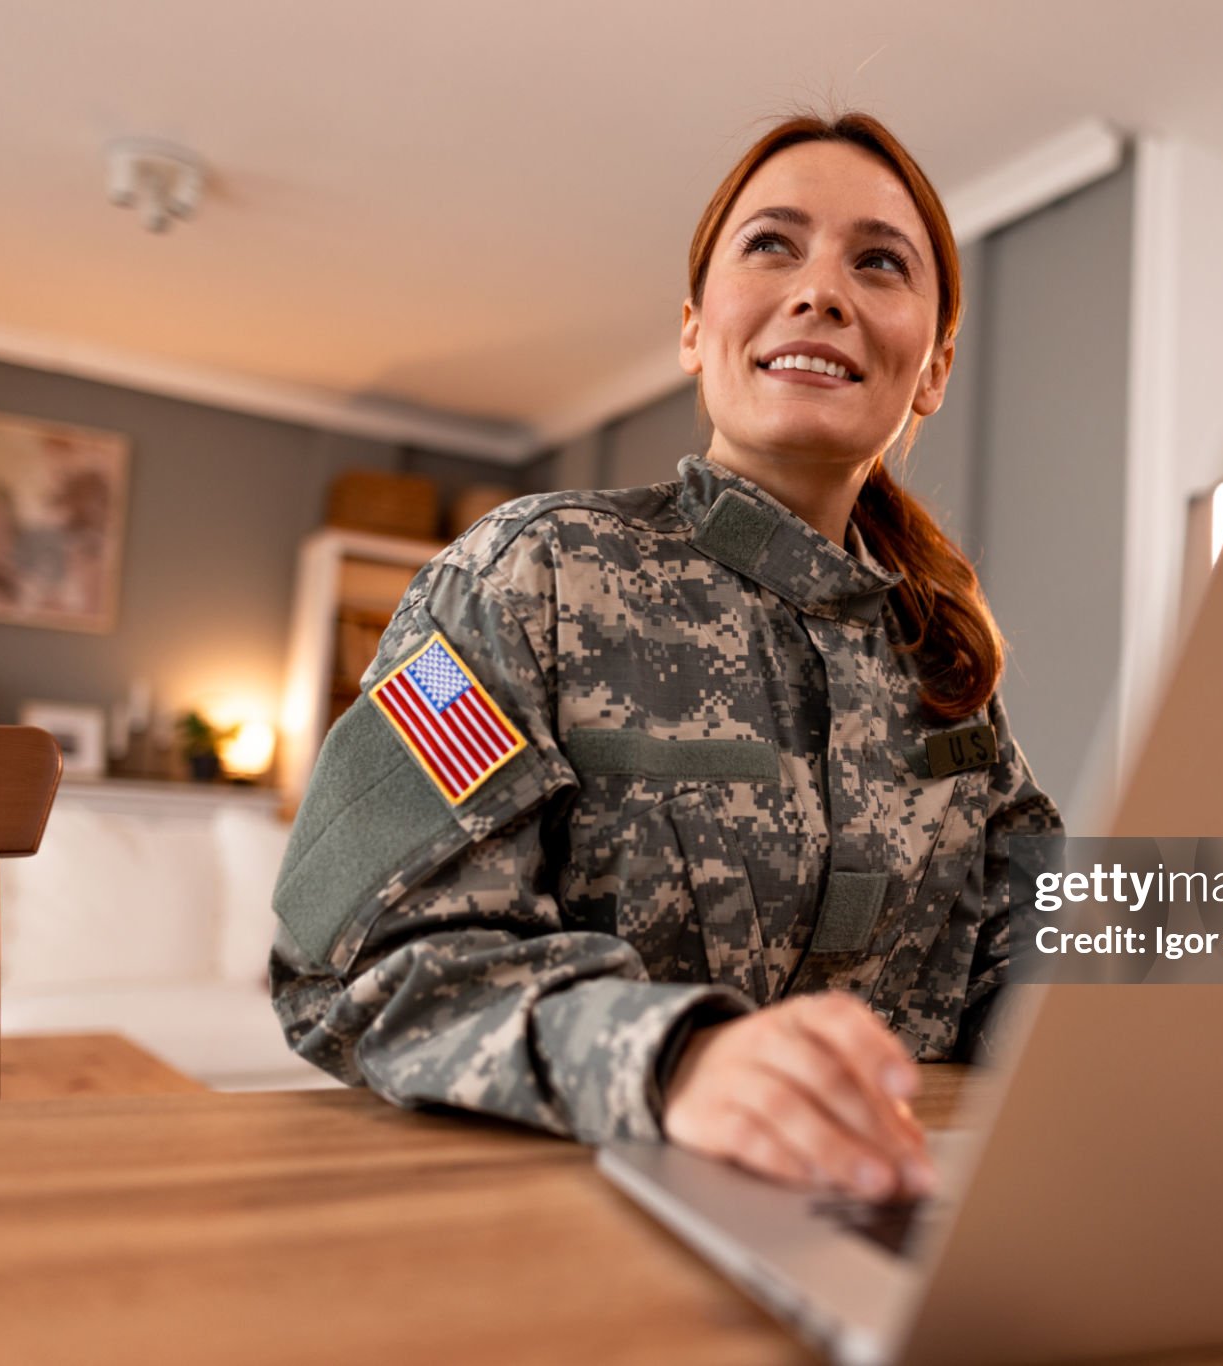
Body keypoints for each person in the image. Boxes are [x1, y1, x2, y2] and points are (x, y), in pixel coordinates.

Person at [268, 110, 1062, 1202]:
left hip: (886, 1215)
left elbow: (1039, 937)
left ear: (930, 369)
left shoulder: (940, 663)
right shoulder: (523, 578)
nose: (820, 289)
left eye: (878, 262)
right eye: (771, 244)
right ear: (694, 329)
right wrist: (673, 1058)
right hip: (561, 1214)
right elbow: (366, 961)